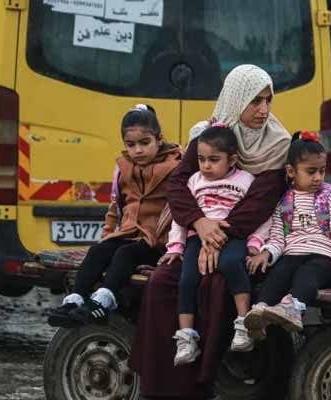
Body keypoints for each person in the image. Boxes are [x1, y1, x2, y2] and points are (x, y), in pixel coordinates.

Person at [130, 64, 290, 399]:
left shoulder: (277, 144)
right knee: (162, 281)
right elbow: (179, 184)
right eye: (255, 101)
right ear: (236, 101)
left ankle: (202, 384)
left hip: (244, 239)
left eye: (268, 100)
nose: (264, 110)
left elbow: (259, 204)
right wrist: (200, 226)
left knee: (217, 284)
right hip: (197, 232)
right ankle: (158, 385)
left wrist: (217, 238)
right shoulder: (211, 134)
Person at [47, 104, 181, 327]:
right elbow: (115, 207)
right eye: (131, 145)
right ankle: (75, 300)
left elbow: (181, 208)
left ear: (159, 139)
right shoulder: (123, 169)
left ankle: (103, 301)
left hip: (158, 240)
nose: (138, 150)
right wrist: (108, 235)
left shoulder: (175, 168)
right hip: (128, 232)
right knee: (100, 250)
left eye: (144, 143)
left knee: (125, 254)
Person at [156, 124, 271, 365]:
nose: (206, 165)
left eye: (214, 160)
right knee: (187, 278)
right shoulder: (194, 181)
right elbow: (181, 217)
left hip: (234, 236)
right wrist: (175, 247)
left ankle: (243, 323)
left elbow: (260, 214)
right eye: (201, 159)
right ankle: (186, 337)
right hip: (197, 237)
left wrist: (255, 242)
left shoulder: (246, 180)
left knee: (231, 264)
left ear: (232, 160)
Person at [243, 131, 331, 339]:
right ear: (291, 171)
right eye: (311, 171)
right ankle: (259, 313)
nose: (318, 178)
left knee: (306, 275)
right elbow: (278, 238)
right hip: (293, 254)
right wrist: (266, 254)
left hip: (324, 258)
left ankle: (294, 310)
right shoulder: (284, 202)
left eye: (322, 171)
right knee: (278, 274)